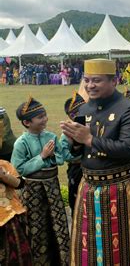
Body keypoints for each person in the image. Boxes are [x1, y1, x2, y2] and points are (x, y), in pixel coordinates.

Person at [60, 59, 130, 265]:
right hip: (89, 186)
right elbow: (80, 150)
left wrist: (90, 139)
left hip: (120, 189)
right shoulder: (84, 109)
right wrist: (74, 141)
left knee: (125, 249)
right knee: (88, 247)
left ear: (114, 81)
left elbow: (128, 148)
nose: (90, 85)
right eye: (86, 80)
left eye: (96, 80)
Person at [11, 97, 70, 265]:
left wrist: (52, 156)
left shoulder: (51, 136)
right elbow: (18, 169)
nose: (44, 119)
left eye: (44, 115)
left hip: (52, 188)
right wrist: (42, 157)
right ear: (27, 122)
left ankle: (61, 260)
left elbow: (60, 159)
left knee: (57, 223)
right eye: (40, 117)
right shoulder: (21, 143)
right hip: (32, 192)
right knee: (37, 226)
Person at [0, 159, 33, 265]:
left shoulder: (4, 164)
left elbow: (19, 184)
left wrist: (3, 176)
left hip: (9, 216)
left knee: (19, 254)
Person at [62, 91, 86, 215]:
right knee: (76, 199)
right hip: (76, 170)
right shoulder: (67, 132)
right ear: (71, 116)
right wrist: (80, 157)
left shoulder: (91, 125)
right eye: (76, 113)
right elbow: (65, 155)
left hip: (91, 170)